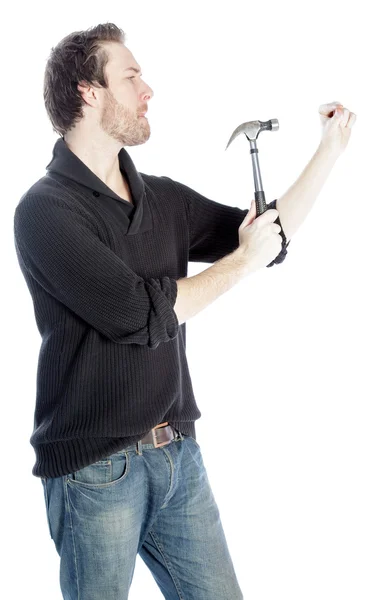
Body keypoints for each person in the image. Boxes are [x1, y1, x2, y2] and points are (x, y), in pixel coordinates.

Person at [13, 21, 356, 600]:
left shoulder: (162, 198)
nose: (149, 90)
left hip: (176, 457)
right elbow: (139, 315)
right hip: (95, 473)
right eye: (131, 76)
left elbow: (262, 239)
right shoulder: (45, 212)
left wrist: (330, 150)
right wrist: (243, 263)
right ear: (88, 92)